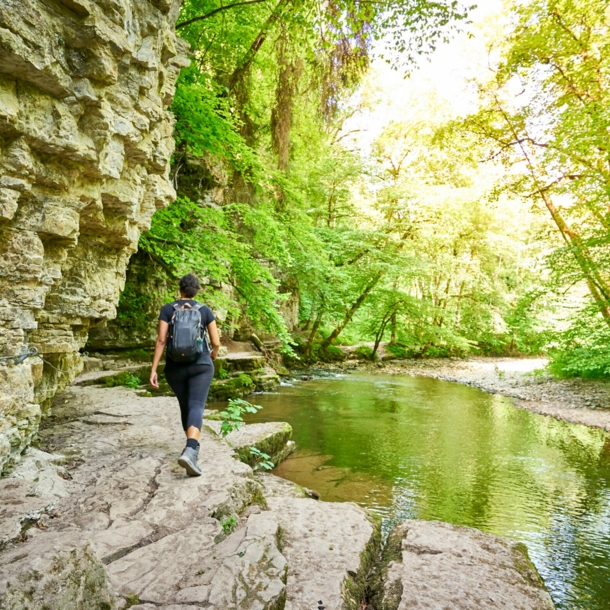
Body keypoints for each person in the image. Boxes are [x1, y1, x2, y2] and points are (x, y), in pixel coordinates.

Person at [150, 273, 220, 476]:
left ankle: (190, 449)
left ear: (180, 289)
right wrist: (213, 355)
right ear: (196, 290)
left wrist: (154, 369)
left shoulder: (167, 309)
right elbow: (215, 342)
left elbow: (161, 340)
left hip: (175, 368)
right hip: (201, 365)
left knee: (185, 405)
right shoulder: (204, 310)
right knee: (196, 405)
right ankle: (191, 450)